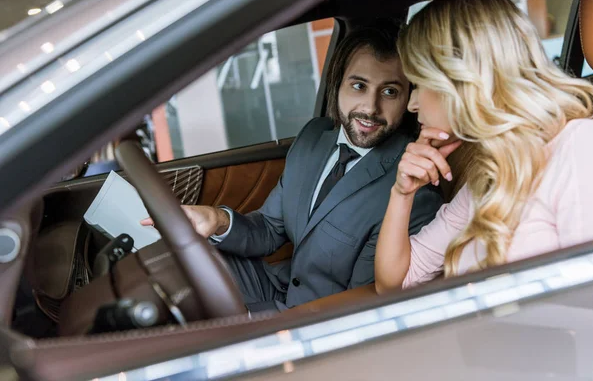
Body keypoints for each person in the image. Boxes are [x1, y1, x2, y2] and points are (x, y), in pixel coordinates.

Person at [143, 23, 443, 311]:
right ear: (337, 84)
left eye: (390, 91)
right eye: (359, 86)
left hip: (314, 319)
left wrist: (250, 323)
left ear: (409, 99)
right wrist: (217, 220)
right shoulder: (314, 138)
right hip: (278, 286)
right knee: (174, 261)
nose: (371, 107)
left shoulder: (413, 189)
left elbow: (359, 304)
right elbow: (271, 229)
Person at [374, 0, 593, 294]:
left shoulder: (581, 149)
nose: (412, 104)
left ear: (462, 81)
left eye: (420, 84)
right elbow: (394, 283)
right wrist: (402, 194)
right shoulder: (491, 173)